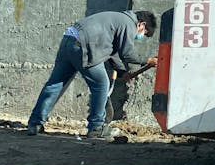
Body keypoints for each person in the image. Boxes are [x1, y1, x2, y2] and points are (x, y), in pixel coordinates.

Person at [26, 9, 158, 139]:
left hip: (69, 39)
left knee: (55, 84)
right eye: (144, 33)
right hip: (84, 46)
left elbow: (114, 52)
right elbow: (127, 53)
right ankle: (96, 127)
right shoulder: (128, 24)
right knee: (101, 84)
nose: (140, 36)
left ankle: (35, 123)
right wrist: (148, 60)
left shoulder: (117, 19)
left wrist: (123, 72)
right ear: (142, 24)